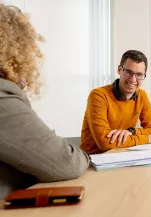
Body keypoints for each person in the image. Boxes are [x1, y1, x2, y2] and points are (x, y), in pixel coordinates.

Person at [0, 4, 90, 200]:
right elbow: (67, 162)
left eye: (140, 75)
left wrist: (134, 134)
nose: (134, 80)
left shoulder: (140, 97)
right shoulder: (2, 97)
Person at [80, 50, 151, 154]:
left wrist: (132, 131)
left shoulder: (142, 96)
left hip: (123, 155)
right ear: (119, 70)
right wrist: (147, 139)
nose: (133, 80)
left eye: (139, 74)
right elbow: (105, 142)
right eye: (128, 72)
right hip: (94, 160)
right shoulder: (98, 95)